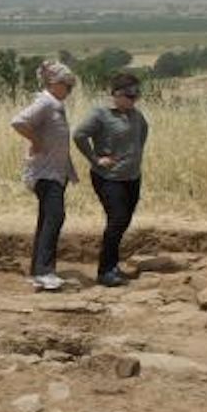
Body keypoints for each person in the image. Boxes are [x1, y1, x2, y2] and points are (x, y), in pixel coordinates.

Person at [72, 71, 149, 286]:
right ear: (116, 94)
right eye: (130, 95)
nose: (135, 99)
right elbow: (79, 135)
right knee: (116, 220)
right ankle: (105, 271)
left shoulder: (136, 115)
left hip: (132, 177)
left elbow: (143, 133)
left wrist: (134, 158)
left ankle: (113, 266)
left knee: (123, 221)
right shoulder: (100, 114)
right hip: (109, 178)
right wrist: (96, 159)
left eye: (137, 95)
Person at [10, 61, 78, 290]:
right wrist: (36, 141)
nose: (69, 90)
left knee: (47, 219)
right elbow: (18, 122)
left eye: (71, 86)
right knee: (54, 217)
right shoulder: (46, 103)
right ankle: (44, 271)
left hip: (56, 172)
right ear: (54, 83)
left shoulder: (55, 104)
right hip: (45, 173)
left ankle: (38, 269)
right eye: (67, 85)